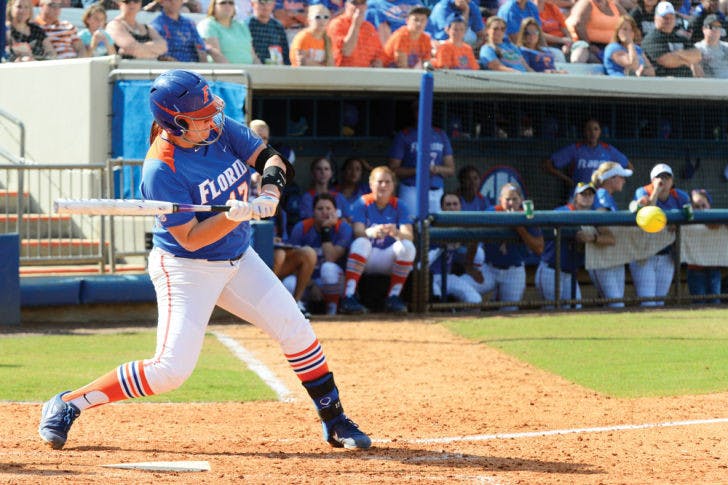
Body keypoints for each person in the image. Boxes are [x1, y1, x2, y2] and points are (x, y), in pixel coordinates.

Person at [37, 69, 371, 452]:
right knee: (170, 371)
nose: (211, 121)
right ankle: (69, 403)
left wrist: (269, 193)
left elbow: (271, 159)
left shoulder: (219, 126)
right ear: (175, 123)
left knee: (297, 331)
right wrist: (232, 215)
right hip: (185, 268)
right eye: (200, 117)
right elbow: (190, 238)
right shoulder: (161, 169)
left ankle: (335, 421)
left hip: (237, 257)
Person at [340, 166, 416, 314]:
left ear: (393, 185)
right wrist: (371, 232)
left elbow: (409, 236)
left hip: (388, 258)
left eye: (388, 182)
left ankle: (393, 296)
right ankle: (348, 296)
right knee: (361, 241)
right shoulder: (362, 202)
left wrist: (396, 233)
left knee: (408, 246)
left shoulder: (400, 205)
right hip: (367, 258)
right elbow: (357, 231)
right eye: (379, 181)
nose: (383, 185)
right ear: (371, 184)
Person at [465, 183, 545, 311]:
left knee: (510, 311)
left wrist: (520, 228)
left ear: (521, 201)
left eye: (515, 199)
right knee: (466, 285)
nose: (511, 203)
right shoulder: (491, 213)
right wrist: (469, 266)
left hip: (514, 270)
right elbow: (473, 237)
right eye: (507, 199)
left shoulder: (527, 216)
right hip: (490, 268)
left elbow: (539, 249)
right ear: (500, 200)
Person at [536, 182, 603, 308]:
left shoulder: (592, 216)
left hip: (570, 273)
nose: (587, 197)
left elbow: (609, 236)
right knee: (552, 310)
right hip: (551, 270)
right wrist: (575, 232)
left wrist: (592, 238)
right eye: (583, 194)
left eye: (590, 194)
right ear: (575, 197)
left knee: (576, 308)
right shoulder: (562, 211)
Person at [630, 163, 690, 306]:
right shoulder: (642, 192)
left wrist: (677, 225)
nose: (664, 180)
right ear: (652, 180)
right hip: (644, 255)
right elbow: (648, 216)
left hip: (667, 256)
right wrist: (656, 190)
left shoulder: (680, 196)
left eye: (667, 177)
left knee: (659, 302)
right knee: (648, 302)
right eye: (659, 177)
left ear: (672, 180)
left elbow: (689, 219)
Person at [288, 193, 354, 315]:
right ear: (313, 212)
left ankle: (332, 311)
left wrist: (326, 230)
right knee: (289, 282)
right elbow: (292, 264)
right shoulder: (302, 227)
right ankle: (300, 310)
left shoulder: (343, 228)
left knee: (328, 268)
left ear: (336, 211)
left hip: (334, 282)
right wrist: (311, 285)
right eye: (320, 209)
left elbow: (331, 257)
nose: (324, 212)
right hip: (308, 282)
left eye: (328, 208)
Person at [388, 101, 456, 216]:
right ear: (413, 113)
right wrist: (418, 170)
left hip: (436, 190)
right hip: (411, 189)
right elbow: (393, 169)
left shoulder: (440, 135)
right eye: (417, 110)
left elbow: (451, 169)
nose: (421, 112)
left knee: (437, 228)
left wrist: (436, 169)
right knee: (411, 225)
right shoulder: (404, 135)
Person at [544, 118, 633, 192]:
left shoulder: (608, 149)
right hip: (578, 196)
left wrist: (614, 182)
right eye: (589, 129)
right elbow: (548, 165)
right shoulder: (575, 149)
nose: (592, 133)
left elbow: (629, 167)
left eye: (595, 129)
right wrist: (567, 180)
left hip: (600, 197)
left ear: (600, 132)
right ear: (584, 131)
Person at [588, 161, 632, 307]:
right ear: (611, 178)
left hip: (613, 257)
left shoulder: (609, 196)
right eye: (621, 177)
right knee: (615, 304)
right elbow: (604, 226)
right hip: (601, 258)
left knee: (616, 302)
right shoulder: (601, 194)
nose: (624, 180)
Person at [429, 193, 483, 305]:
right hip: (428, 277)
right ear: (442, 208)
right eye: (448, 204)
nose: (452, 207)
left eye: (455, 204)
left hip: (447, 277)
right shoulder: (434, 223)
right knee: (435, 300)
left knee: (475, 300)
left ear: (460, 207)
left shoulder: (462, 224)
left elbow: (475, 240)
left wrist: (469, 267)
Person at [642, 1, 704, 77]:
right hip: (663, 83)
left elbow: (697, 55)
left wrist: (677, 54)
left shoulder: (680, 37)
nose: (668, 20)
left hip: (686, 82)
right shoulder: (651, 38)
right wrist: (687, 60)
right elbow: (666, 60)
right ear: (655, 18)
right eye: (664, 17)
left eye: (671, 17)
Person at [685, 188, 722, 304]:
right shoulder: (687, 223)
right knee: (698, 303)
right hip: (695, 269)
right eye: (696, 206)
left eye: (703, 205)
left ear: (709, 205)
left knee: (715, 302)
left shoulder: (718, 221)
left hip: (714, 268)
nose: (700, 209)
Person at [152, 0, 217, 62]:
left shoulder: (189, 23)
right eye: (170, 0)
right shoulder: (156, 25)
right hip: (170, 69)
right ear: (162, 2)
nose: (174, 2)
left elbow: (200, 48)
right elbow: (160, 54)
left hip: (193, 67)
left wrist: (203, 69)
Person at [327, 0, 384, 67]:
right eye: (355, 3)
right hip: (342, 72)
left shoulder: (369, 28)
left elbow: (378, 55)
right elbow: (346, 51)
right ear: (346, 5)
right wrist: (356, 24)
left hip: (364, 73)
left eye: (362, 3)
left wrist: (377, 64)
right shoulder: (337, 24)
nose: (359, 7)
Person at [248, 0, 290, 65]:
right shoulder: (246, 26)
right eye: (261, 2)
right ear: (252, 4)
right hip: (254, 69)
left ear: (274, 4)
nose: (265, 6)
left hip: (276, 70)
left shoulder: (278, 26)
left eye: (269, 1)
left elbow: (286, 54)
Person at [333, 157, 372, 221]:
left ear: (361, 173)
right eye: (350, 168)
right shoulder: (333, 192)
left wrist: (370, 169)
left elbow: (387, 180)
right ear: (343, 171)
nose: (354, 172)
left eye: (358, 169)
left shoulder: (366, 190)